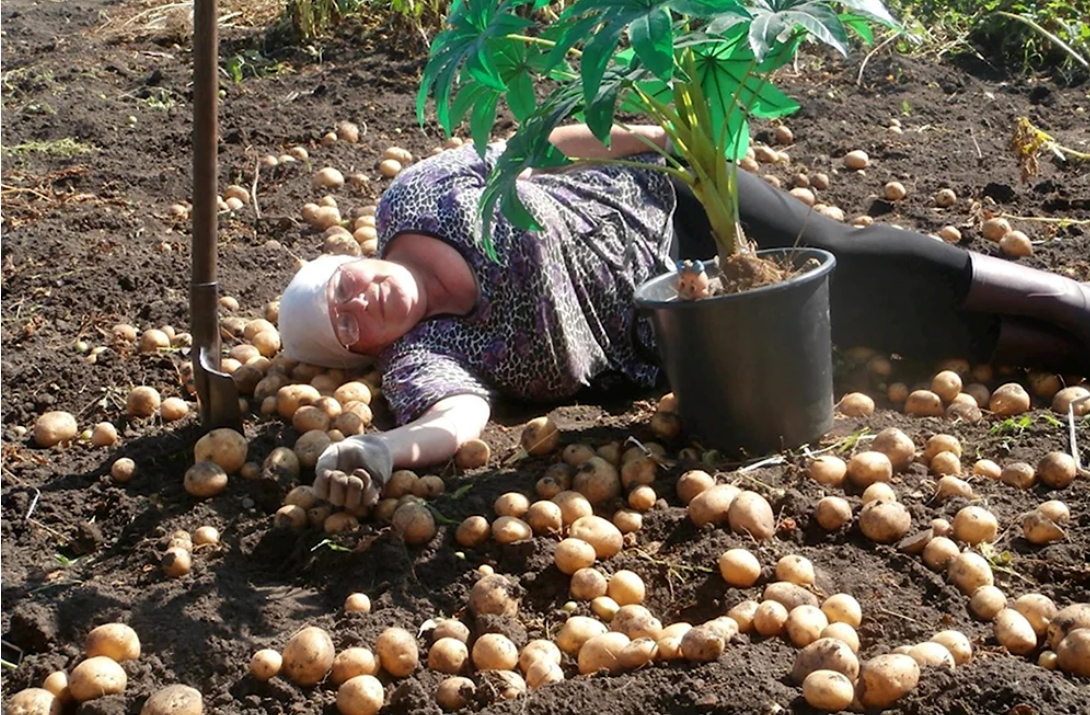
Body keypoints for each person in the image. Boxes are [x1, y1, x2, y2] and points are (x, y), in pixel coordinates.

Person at [277, 124, 1089, 511]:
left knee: (849, 256)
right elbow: (459, 420)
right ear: (364, 354)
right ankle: (1063, 351)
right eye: (346, 324)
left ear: (355, 255)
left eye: (344, 283)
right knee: (863, 330)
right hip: (680, 321)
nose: (360, 301)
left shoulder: (412, 197)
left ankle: (1067, 303)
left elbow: (528, 148)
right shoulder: (427, 356)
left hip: (674, 205)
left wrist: (648, 137)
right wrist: (380, 448)